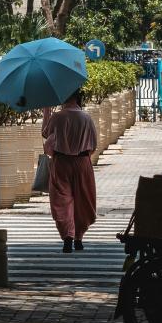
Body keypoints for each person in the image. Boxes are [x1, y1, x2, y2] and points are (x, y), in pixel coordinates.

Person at [41, 89, 98, 253]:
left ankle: (68, 236)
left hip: (61, 162)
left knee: (61, 200)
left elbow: (46, 134)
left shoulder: (57, 117)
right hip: (82, 162)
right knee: (83, 200)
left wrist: (47, 111)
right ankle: (79, 237)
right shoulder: (86, 117)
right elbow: (93, 145)